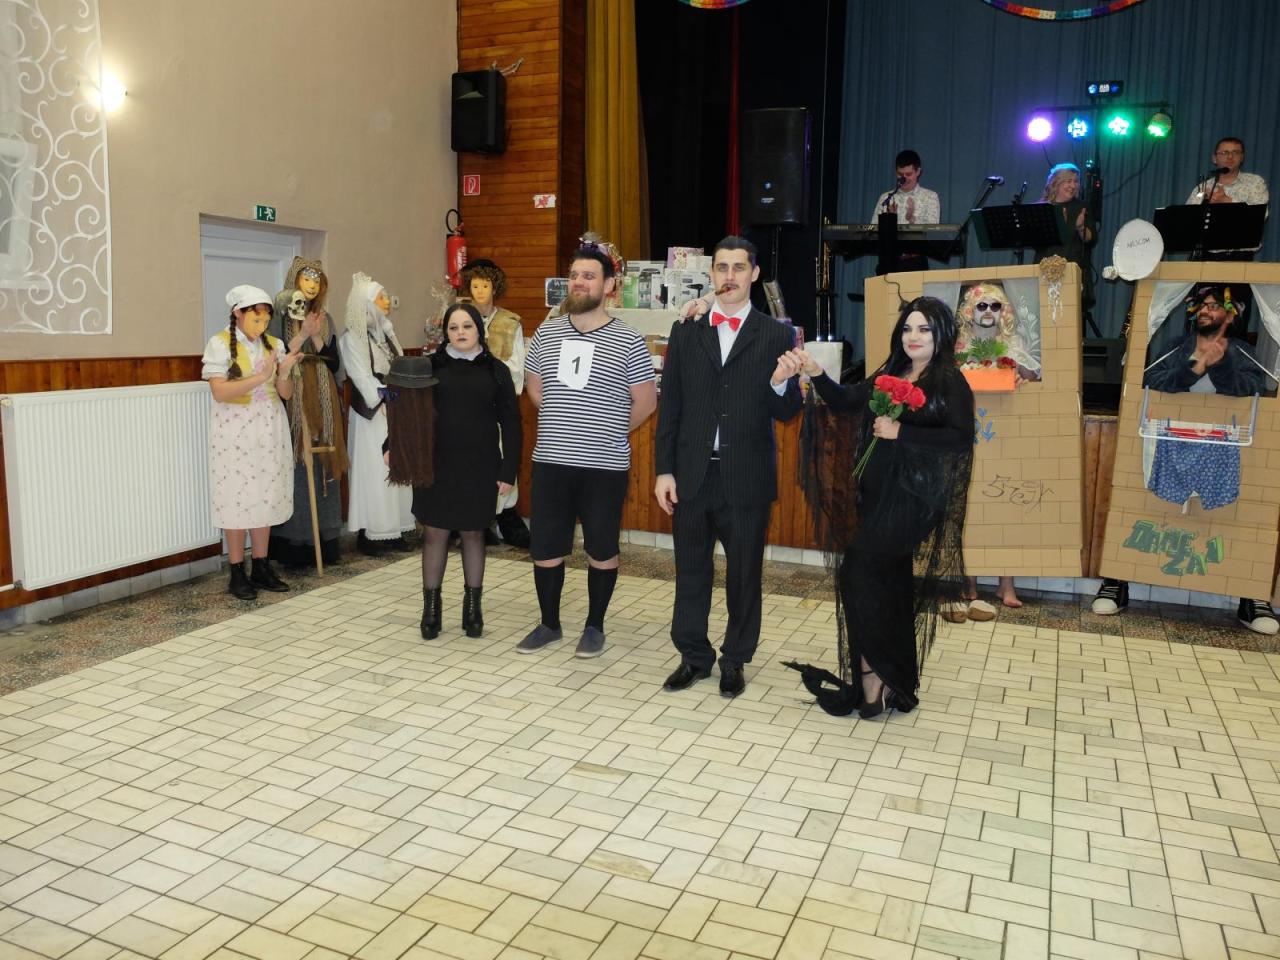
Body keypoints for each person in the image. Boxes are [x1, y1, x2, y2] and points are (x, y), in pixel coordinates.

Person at [785, 297, 974, 718]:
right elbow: (845, 401)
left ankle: (874, 677)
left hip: (912, 501)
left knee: (859, 574)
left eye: (924, 329)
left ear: (941, 334)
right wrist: (815, 372)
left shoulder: (949, 380)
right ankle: (892, 680)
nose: (913, 337)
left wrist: (901, 431)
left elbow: (960, 438)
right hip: (876, 498)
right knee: (887, 585)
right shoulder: (892, 372)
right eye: (907, 328)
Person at [654, 236, 804, 698]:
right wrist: (663, 471)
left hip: (746, 477)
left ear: (754, 274)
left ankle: (735, 659)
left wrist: (779, 383)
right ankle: (693, 657)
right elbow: (671, 406)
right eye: (722, 267)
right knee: (690, 572)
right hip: (692, 474)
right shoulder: (686, 330)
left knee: (743, 577)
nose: (730, 276)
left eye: (739, 267)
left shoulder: (777, 335)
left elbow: (788, 412)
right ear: (712, 274)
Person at [1098, 283, 1276, 633]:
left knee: (1239, 518)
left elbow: (1254, 388)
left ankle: (1251, 594)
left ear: (1232, 314)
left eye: (1215, 305)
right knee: (1139, 506)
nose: (1207, 310)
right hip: (1167, 445)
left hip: (1227, 451)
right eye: (1203, 305)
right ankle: (1117, 579)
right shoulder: (1176, 347)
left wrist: (1220, 364)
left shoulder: (1244, 352)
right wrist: (1194, 367)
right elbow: (1151, 379)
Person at [518, 245, 657, 658]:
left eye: (589, 276)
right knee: (546, 547)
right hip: (551, 461)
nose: (579, 282)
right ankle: (549, 624)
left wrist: (608, 430)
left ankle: (595, 626)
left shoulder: (628, 340)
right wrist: (565, 422)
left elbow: (645, 401)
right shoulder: (547, 333)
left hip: (604, 465)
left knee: (601, 547)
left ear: (609, 285)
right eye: (574, 275)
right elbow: (535, 388)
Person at [413, 303, 521, 640]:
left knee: (474, 533)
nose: (460, 333)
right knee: (435, 533)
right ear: (446, 332)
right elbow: (410, 413)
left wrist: (509, 470)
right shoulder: (429, 367)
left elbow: (512, 424)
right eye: (453, 327)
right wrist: (393, 447)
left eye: (467, 326)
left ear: (479, 330)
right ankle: (431, 609)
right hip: (436, 465)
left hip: (480, 465)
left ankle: (473, 609)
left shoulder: (496, 370)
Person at [201, 285, 300, 600]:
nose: (262, 325)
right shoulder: (219, 344)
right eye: (256, 319)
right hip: (234, 430)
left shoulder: (274, 344)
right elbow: (219, 392)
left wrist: (284, 372)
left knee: (265, 493)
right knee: (236, 495)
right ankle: (236, 570)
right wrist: (259, 377)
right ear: (238, 314)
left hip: (269, 427)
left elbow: (285, 394)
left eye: (266, 320)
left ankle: (261, 564)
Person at [268, 257, 348, 568]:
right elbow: (275, 355)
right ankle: (294, 542)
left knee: (324, 463)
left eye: (317, 280)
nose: (312, 285)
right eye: (306, 279)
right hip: (294, 393)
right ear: (294, 280)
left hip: (323, 396)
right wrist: (302, 335)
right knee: (298, 465)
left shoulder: (325, 317)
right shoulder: (280, 314)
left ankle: (324, 540)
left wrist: (316, 334)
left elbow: (334, 362)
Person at [339, 272, 416, 555]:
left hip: (394, 409)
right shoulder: (353, 338)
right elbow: (362, 377)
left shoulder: (386, 333)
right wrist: (389, 398)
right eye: (380, 298)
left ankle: (394, 529)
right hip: (372, 415)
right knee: (374, 471)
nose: (386, 301)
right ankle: (371, 533)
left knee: (397, 468)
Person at [460, 258, 531, 548]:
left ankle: (506, 515)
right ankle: (477, 518)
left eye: (485, 285)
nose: (480, 291)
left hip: (498, 402)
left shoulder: (510, 322)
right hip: (468, 405)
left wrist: (495, 383)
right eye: (475, 286)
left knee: (502, 456)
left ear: (495, 287)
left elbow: (517, 365)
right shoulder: (460, 319)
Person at [1186, 137, 1269, 259]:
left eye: (1235, 152)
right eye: (1224, 153)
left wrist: (1227, 200)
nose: (1230, 157)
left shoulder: (1255, 183)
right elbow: (1188, 219)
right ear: (1214, 158)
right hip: (1204, 255)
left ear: (1242, 157)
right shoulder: (1203, 187)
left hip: (1238, 255)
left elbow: (1261, 215)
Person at [1034, 163, 1096, 320]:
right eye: (1068, 181)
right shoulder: (1042, 208)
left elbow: (1090, 238)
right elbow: (1034, 242)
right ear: (1056, 183)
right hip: (1045, 269)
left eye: (1076, 182)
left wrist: (1080, 227)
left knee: (1069, 319)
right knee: (1045, 317)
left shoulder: (1082, 207)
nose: (1073, 186)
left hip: (1072, 268)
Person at [870, 149, 940, 273]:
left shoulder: (930, 197)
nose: (904, 178)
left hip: (915, 263)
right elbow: (873, 231)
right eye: (900, 174)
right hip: (888, 261)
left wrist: (912, 219)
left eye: (908, 174)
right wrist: (889, 220)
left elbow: (932, 232)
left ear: (918, 172)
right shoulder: (886, 198)